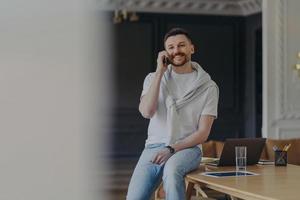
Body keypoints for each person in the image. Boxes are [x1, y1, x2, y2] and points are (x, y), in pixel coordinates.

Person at [126, 27, 219, 200]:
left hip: (188, 149)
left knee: (172, 169)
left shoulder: (208, 87)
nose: (176, 50)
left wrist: (172, 148)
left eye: (181, 45)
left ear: (192, 48)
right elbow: (147, 112)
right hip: (154, 147)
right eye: (171, 47)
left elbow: (203, 133)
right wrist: (159, 72)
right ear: (165, 52)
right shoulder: (152, 78)